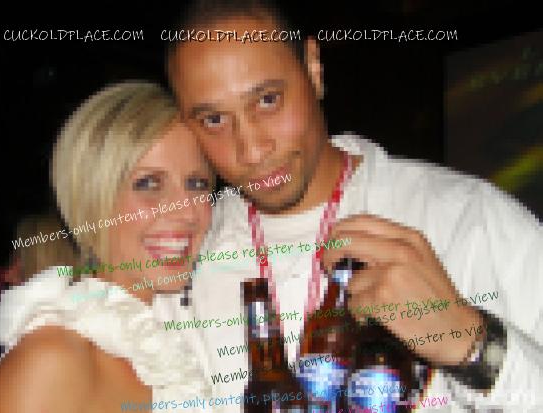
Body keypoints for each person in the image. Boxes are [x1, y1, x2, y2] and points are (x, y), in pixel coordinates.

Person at [166, 0, 543, 411]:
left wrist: (469, 342)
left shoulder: (471, 221)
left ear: (313, 67)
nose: (252, 149)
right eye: (214, 120)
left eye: (268, 99)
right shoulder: (182, 264)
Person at [0, 81, 214, 412]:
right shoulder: (53, 359)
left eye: (197, 183)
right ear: (92, 197)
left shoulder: (169, 345)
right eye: (148, 183)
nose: (187, 212)